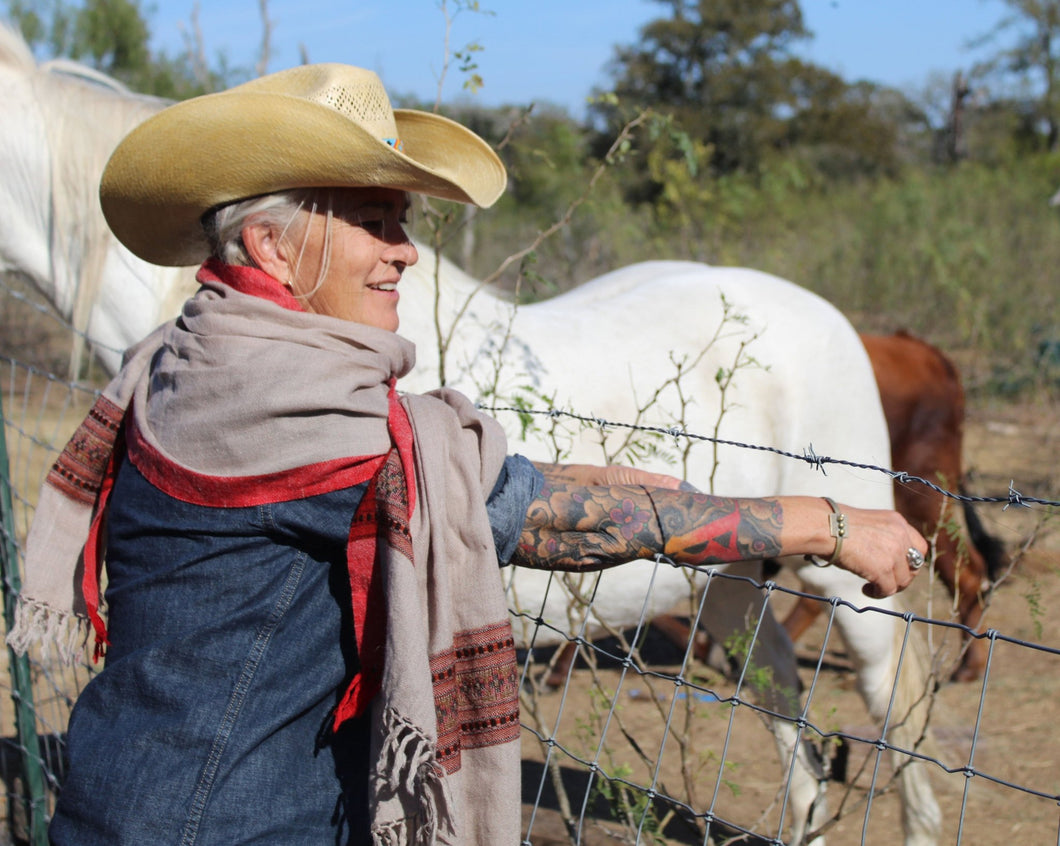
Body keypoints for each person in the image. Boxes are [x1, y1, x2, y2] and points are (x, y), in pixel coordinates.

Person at [7, 63, 927, 845]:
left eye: (402, 221)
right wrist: (829, 523)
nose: (407, 253)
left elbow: (465, 475)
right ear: (271, 244)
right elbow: (535, 521)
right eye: (375, 219)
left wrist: (612, 477)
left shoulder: (184, 356)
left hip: (128, 794)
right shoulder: (300, 415)